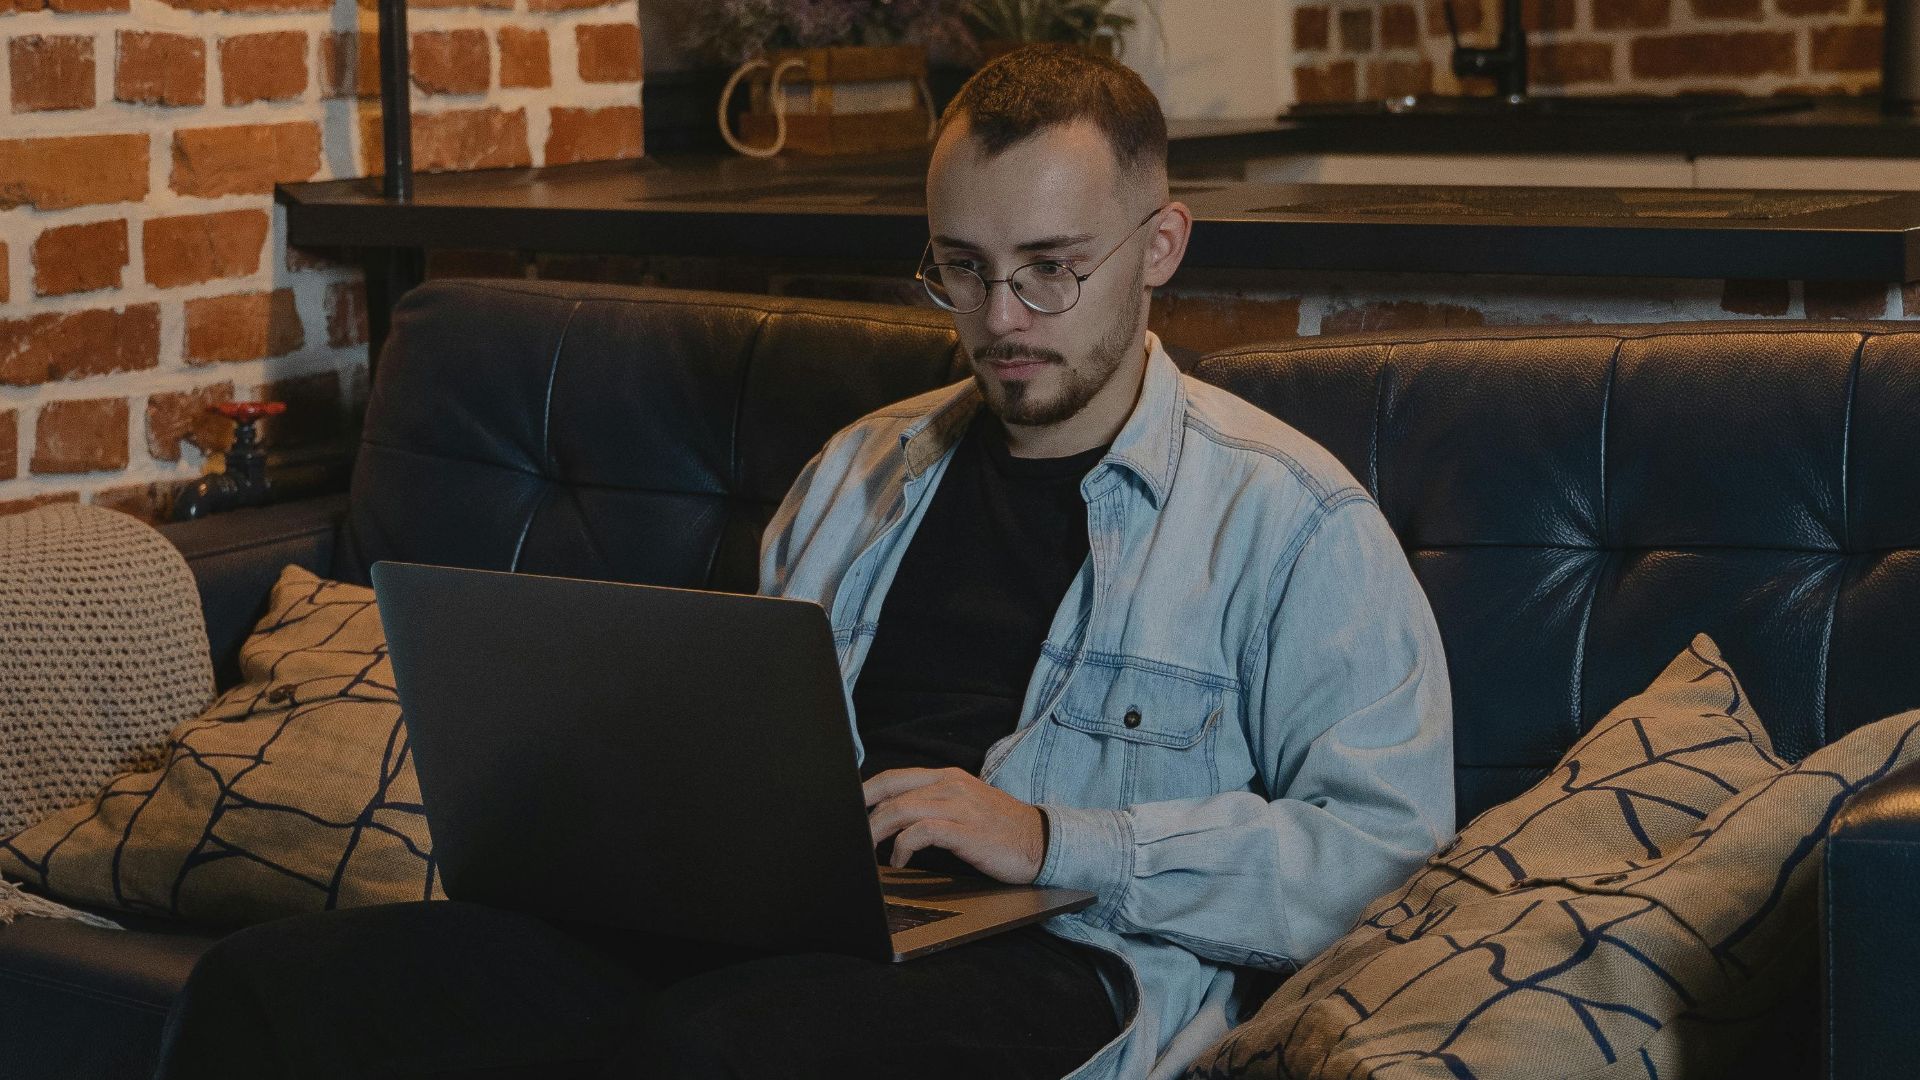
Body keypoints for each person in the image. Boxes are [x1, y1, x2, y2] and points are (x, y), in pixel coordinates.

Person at [154, 45, 1454, 1080]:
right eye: (963, 269)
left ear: (1159, 248)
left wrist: (1062, 835)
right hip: (799, 922)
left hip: (1073, 957)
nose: (1001, 321)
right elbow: (751, 750)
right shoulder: (859, 471)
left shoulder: (1288, 520)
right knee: (272, 992)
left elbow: (1389, 852)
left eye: (1051, 273)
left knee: (722, 1050)